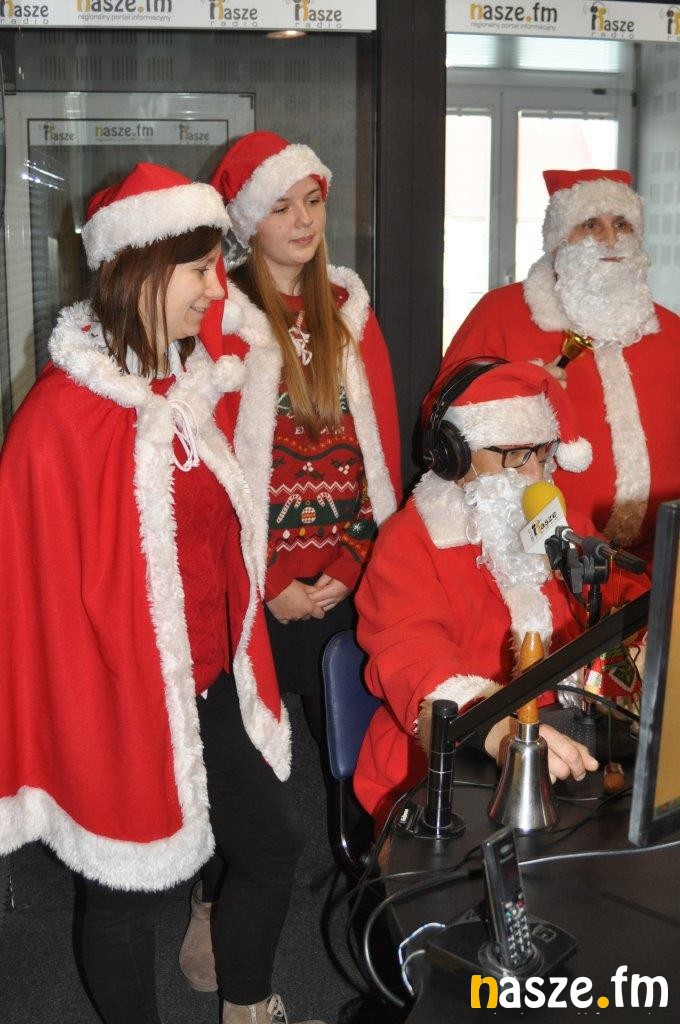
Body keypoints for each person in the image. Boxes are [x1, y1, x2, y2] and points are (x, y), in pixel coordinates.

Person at [0, 163, 324, 1024]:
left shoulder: (187, 391)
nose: (217, 290)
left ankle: (247, 1005)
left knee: (272, 843)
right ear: (142, 268)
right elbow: (32, 599)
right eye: (201, 271)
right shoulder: (58, 420)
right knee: (123, 892)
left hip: (211, 680)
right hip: (115, 697)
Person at [181, 129, 402, 992]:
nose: (304, 221)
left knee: (355, 739)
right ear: (247, 221)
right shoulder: (219, 318)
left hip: (344, 576)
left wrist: (352, 565)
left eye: (312, 201)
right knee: (240, 763)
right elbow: (210, 469)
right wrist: (270, 584)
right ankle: (213, 898)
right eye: (281, 207)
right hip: (252, 588)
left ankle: (378, 886)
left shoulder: (349, 310)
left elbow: (376, 456)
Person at [354, 360, 649, 826]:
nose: (533, 474)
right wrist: (500, 731)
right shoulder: (408, 542)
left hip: (573, 742)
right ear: (455, 455)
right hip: (451, 757)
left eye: (542, 454)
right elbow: (411, 659)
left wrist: (646, 646)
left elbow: (633, 595)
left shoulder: (562, 526)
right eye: (514, 455)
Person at [428, 168, 680, 570]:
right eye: (591, 225)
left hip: (659, 561)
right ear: (559, 238)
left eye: (622, 224)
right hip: (533, 561)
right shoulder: (500, 314)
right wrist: (513, 389)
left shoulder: (671, 331)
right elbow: (440, 422)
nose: (610, 240)